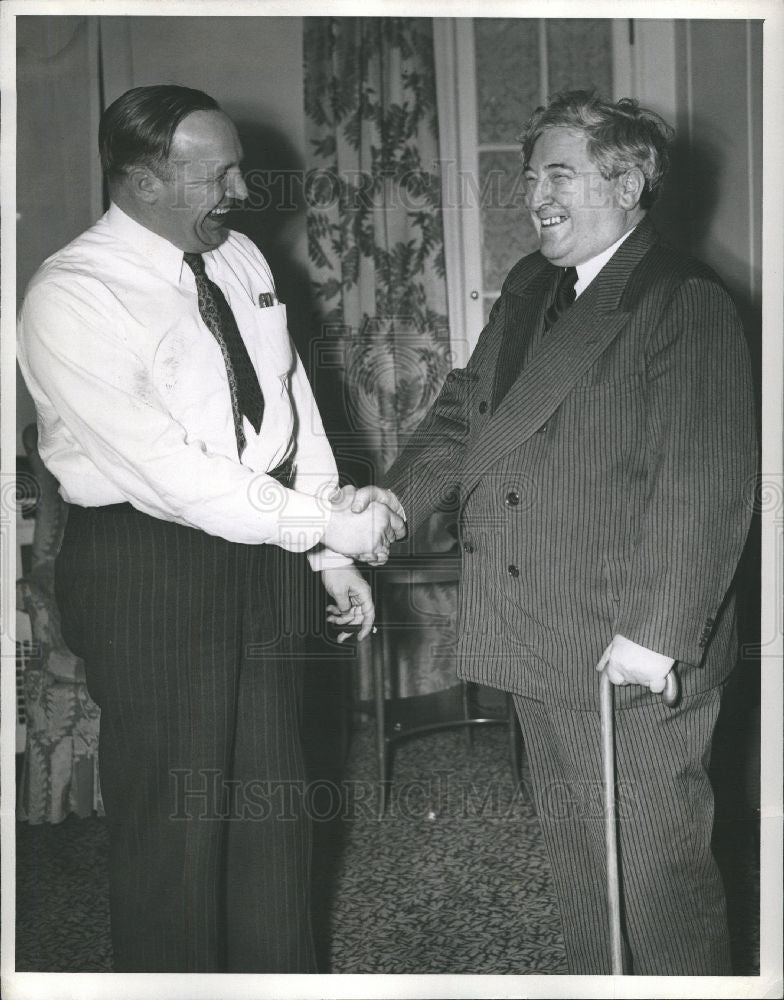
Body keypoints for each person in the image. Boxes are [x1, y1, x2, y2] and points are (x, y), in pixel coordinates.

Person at [17, 84, 404, 973]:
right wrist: (329, 528)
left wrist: (319, 548)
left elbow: (292, 405)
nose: (239, 189)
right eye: (215, 174)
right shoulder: (71, 296)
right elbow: (172, 475)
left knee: (277, 810)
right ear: (143, 182)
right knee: (177, 829)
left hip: (264, 551)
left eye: (238, 166)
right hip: (151, 564)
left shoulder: (239, 259)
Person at [375, 91, 757, 974]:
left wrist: (656, 635)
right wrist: (385, 508)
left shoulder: (682, 300)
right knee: (584, 859)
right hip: (542, 628)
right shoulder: (530, 285)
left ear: (626, 184)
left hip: (633, 645)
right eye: (529, 173)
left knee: (656, 872)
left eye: (559, 171)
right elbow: (466, 419)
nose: (534, 192)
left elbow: (705, 480)